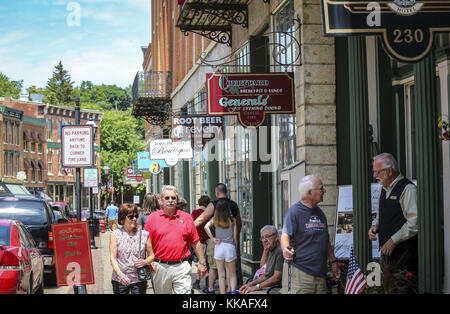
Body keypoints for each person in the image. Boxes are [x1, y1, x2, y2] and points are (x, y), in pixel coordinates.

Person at [280, 175, 340, 294]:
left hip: (320, 274)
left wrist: (333, 262)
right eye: (321, 188)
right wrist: (285, 249)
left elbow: (325, 239)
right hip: (300, 274)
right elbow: (285, 235)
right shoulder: (294, 212)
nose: (324, 191)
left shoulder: (320, 213)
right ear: (309, 192)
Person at [368, 153, 418, 292]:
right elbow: (380, 215)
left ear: (389, 171)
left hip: (405, 256)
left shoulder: (408, 189)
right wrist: (374, 227)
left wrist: (393, 240)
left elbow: (414, 223)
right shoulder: (382, 190)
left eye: (377, 172)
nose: (374, 176)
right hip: (387, 257)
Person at [144, 185, 207, 294]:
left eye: (173, 198)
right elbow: (146, 242)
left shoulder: (186, 217)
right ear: (161, 200)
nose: (170, 201)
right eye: (167, 198)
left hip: (182, 266)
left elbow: (195, 242)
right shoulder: (152, 218)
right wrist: (148, 260)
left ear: (177, 200)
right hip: (160, 267)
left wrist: (202, 263)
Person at [194, 183, 243, 293]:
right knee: (231, 271)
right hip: (230, 243)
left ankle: (212, 288)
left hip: (217, 243)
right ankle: (232, 290)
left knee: (214, 268)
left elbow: (202, 219)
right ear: (227, 192)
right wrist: (235, 243)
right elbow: (239, 223)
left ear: (217, 193)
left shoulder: (213, 204)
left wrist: (188, 228)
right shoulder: (234, 205)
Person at [110, 203, 154, 294]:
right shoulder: (115, 235)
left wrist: (145, 261)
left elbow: (152, 255)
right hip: (120, 280)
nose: (134, 219)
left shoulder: (144, 234)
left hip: (139, 280)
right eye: (131, 216)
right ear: (123, 218)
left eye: (136, 216)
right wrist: (120, 274)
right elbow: (113, 258)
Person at [204, 200, 238, 294]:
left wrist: (213, 238)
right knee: (232, 274)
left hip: (219, 247)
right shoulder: (232, 220)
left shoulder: (215, 219)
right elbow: (235, 236)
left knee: (221, 274)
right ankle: (233, 292)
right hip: (230, 246)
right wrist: (235, 246)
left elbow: (206, 227)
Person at [239, 225, 283, 294]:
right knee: (243, 290)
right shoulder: (270, 249)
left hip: (277, 287)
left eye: (268, 236)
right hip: (270, 285)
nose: (264, 240)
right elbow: (266, 274)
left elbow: (276, 278)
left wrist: (256, 287)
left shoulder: (280, 250)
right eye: (262, 238)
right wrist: (250, 284)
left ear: (276, 236)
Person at [191, 195, 211, 290]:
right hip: (207, 242)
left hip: (197, 243)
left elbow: (191, 226)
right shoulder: (209, 214)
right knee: (206, 264)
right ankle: (206, 283)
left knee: (199, 263)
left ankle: (199, 281)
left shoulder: (195, 213)